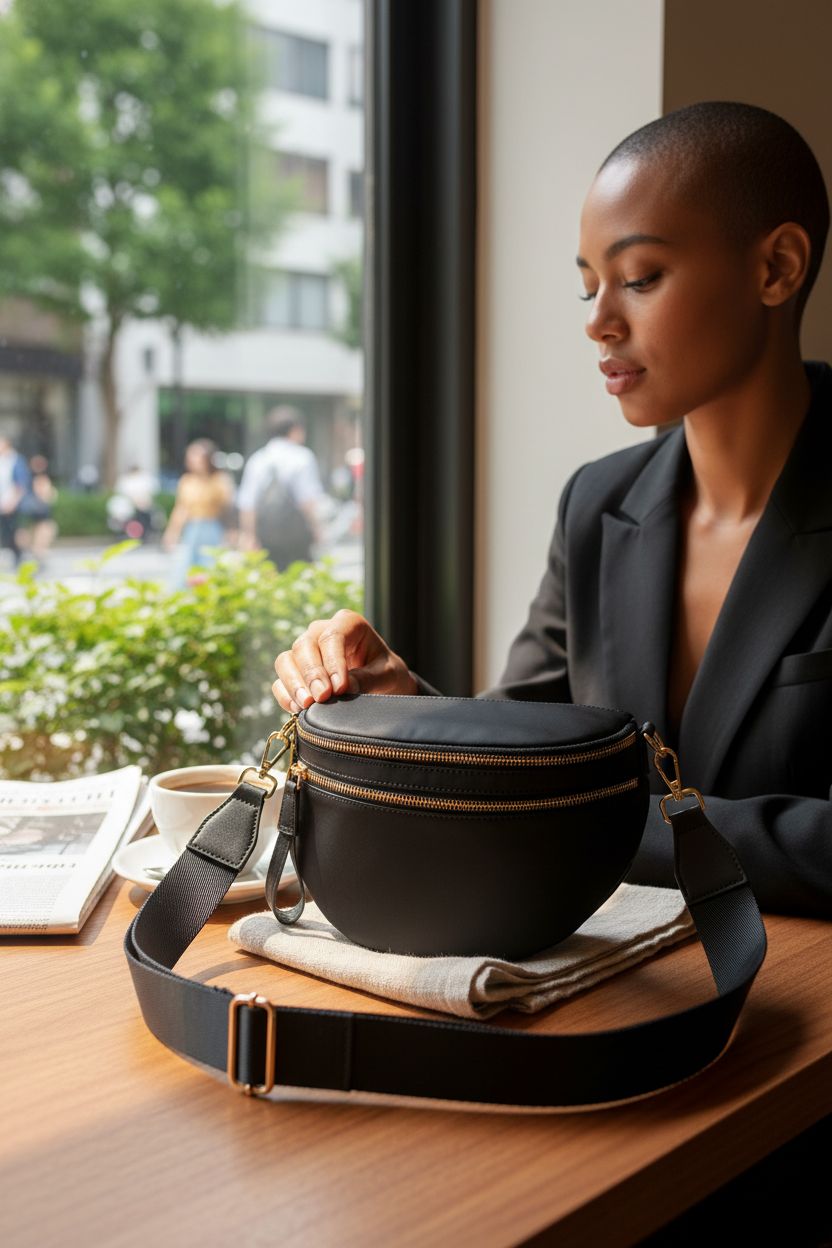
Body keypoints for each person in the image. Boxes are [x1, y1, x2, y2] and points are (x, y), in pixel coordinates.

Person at [271, 101, 832, 921]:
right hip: (613, 992)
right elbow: (531, 738)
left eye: (640, 279)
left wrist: (604, 829)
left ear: (776, 268)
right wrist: (395, 701)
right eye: (589, 287)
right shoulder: (598, 505)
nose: (600, 322)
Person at [236, 406, 324, 571]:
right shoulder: (302, 457)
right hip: (297, 535)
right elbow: (307, 501)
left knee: (269, 579)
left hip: (266, 535)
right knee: (299, 578)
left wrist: (249, 535)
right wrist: (317, 528)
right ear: (295, 430)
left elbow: (247, 503)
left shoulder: (258, 459)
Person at [162, 438, 233, 587]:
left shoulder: (219, 480)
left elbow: (227, 508)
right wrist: (172, 533)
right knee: (184, 568)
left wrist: (232, 532)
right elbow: (181, 509)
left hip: (212, 527)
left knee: (210, 566)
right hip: (193, 528)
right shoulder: (187, 481)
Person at [0, 435, 32, 568]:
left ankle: (20, 556)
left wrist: (12, 502)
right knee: (6, 532)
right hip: (2, 502)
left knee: (14, 531)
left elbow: (21, 484)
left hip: (13, 503)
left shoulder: (16, 460)